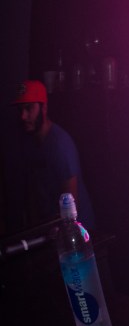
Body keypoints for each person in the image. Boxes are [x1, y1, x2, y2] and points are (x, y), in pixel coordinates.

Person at [10, 79, 96, 232]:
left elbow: (70, 203)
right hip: (52, 229)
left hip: (77, 232)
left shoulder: (59, 145)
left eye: (29, 108)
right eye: (20, 110)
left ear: (44, 108)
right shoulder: (30, 142)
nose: (23, 116)